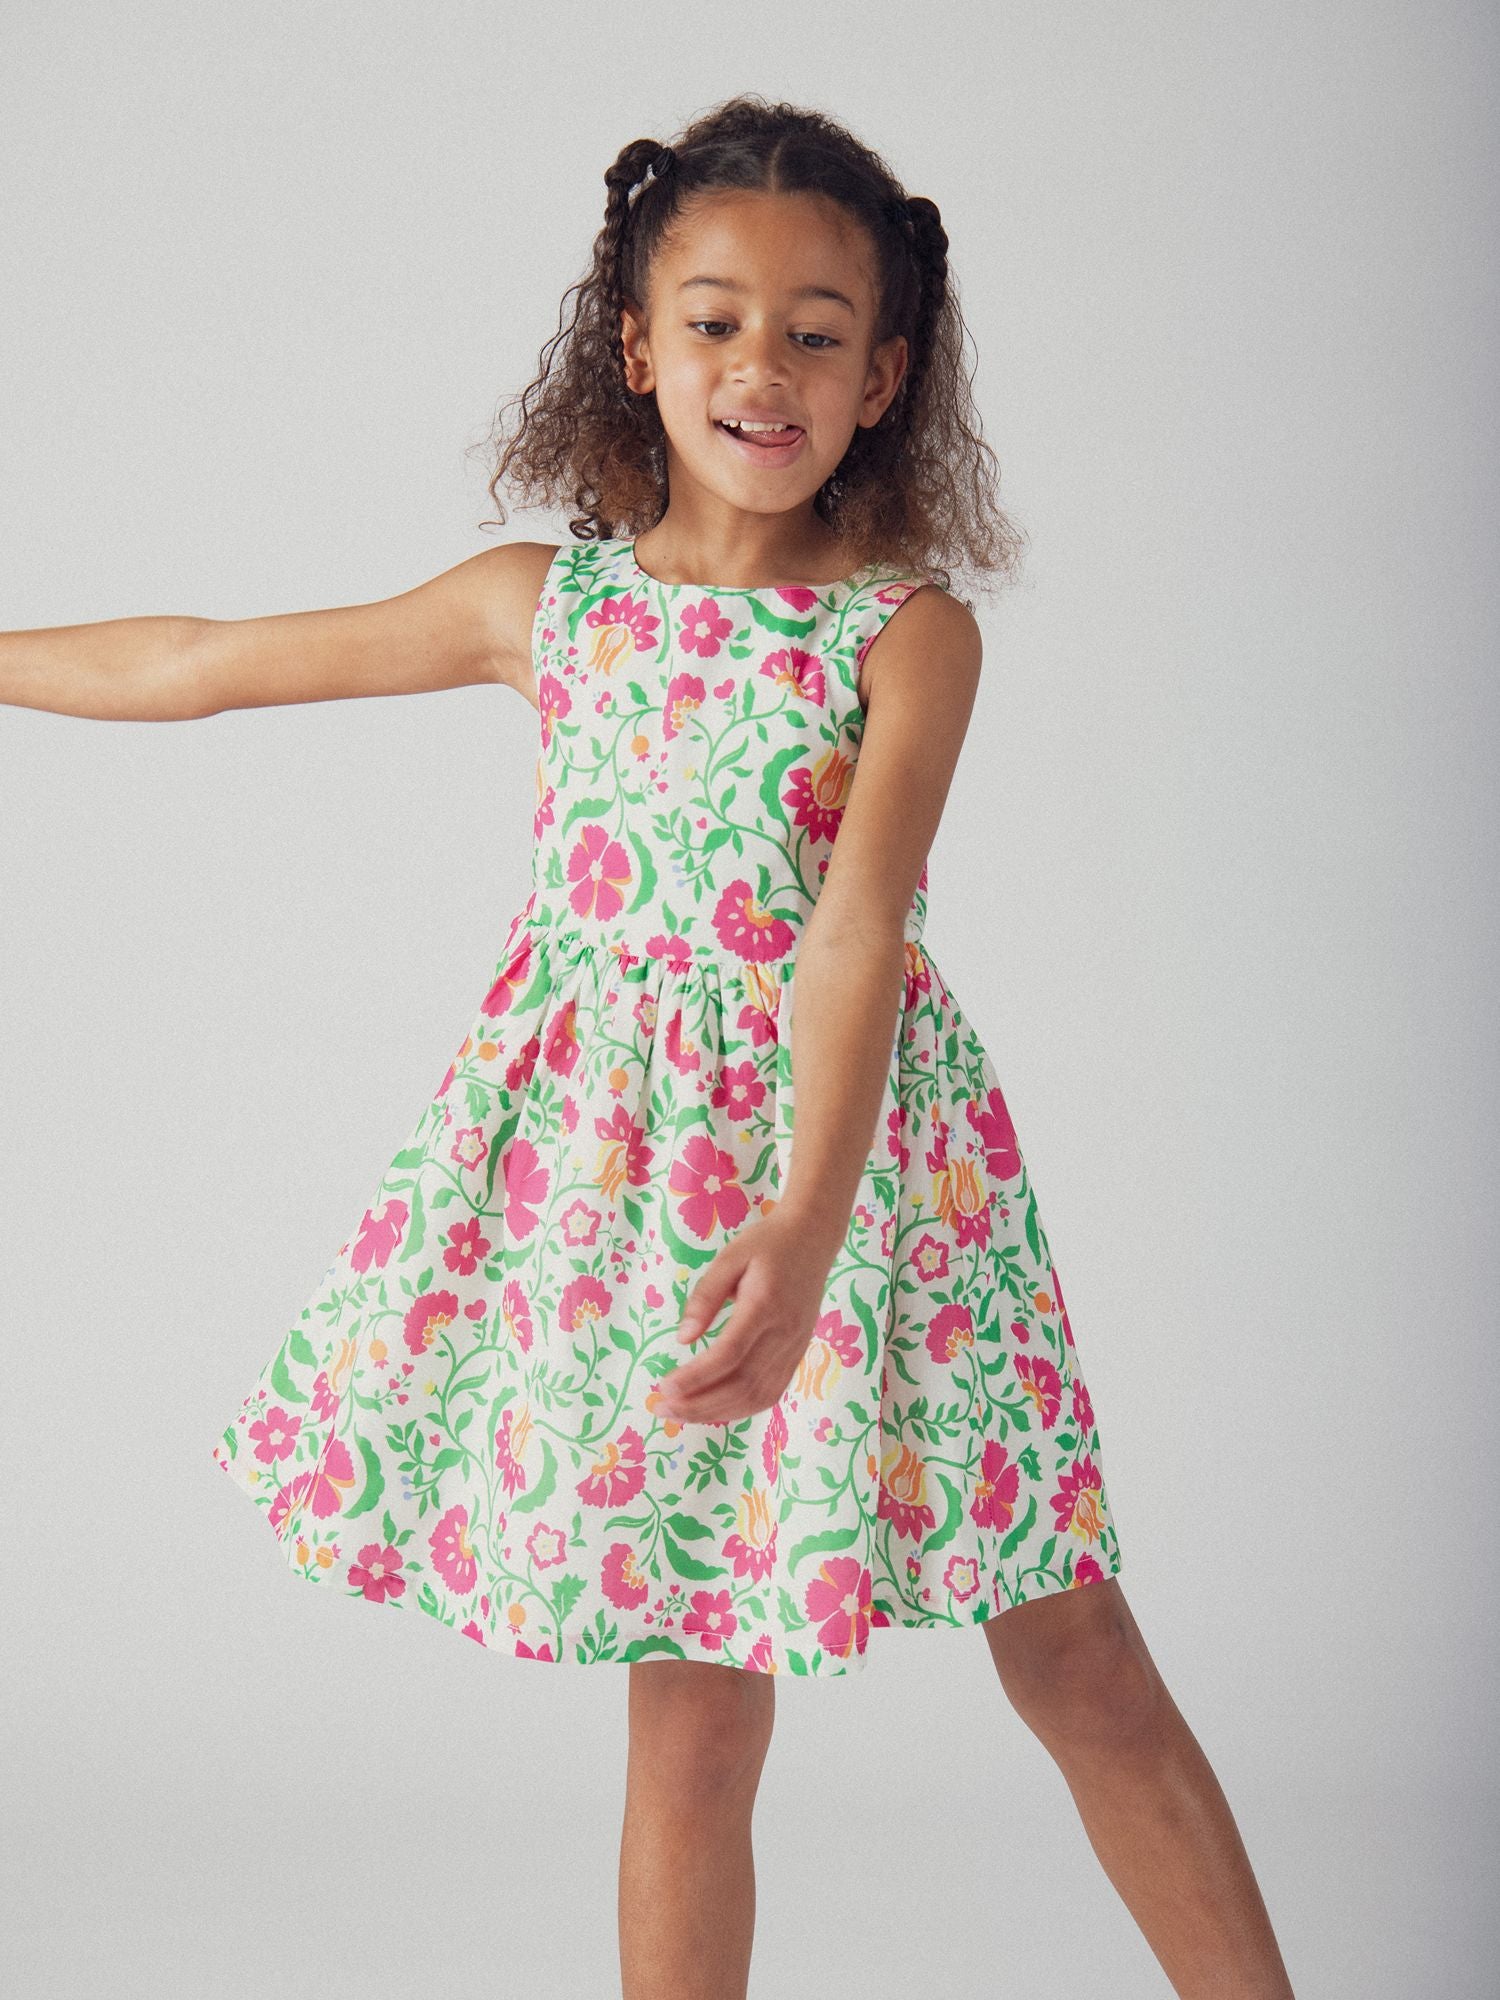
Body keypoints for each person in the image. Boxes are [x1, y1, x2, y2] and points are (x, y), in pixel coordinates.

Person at [2, 90, 1294, 2000]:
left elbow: (854, 931)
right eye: (714, 320)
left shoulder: (907, 635)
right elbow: (202, 660)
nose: (761, 368)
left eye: (816, 333)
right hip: (646, 1211)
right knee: (689, 1716)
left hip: (876, 1197)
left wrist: (810, 1219)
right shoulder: (550, 607)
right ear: (633, 346)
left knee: (1076, 1654)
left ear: (884, 377)